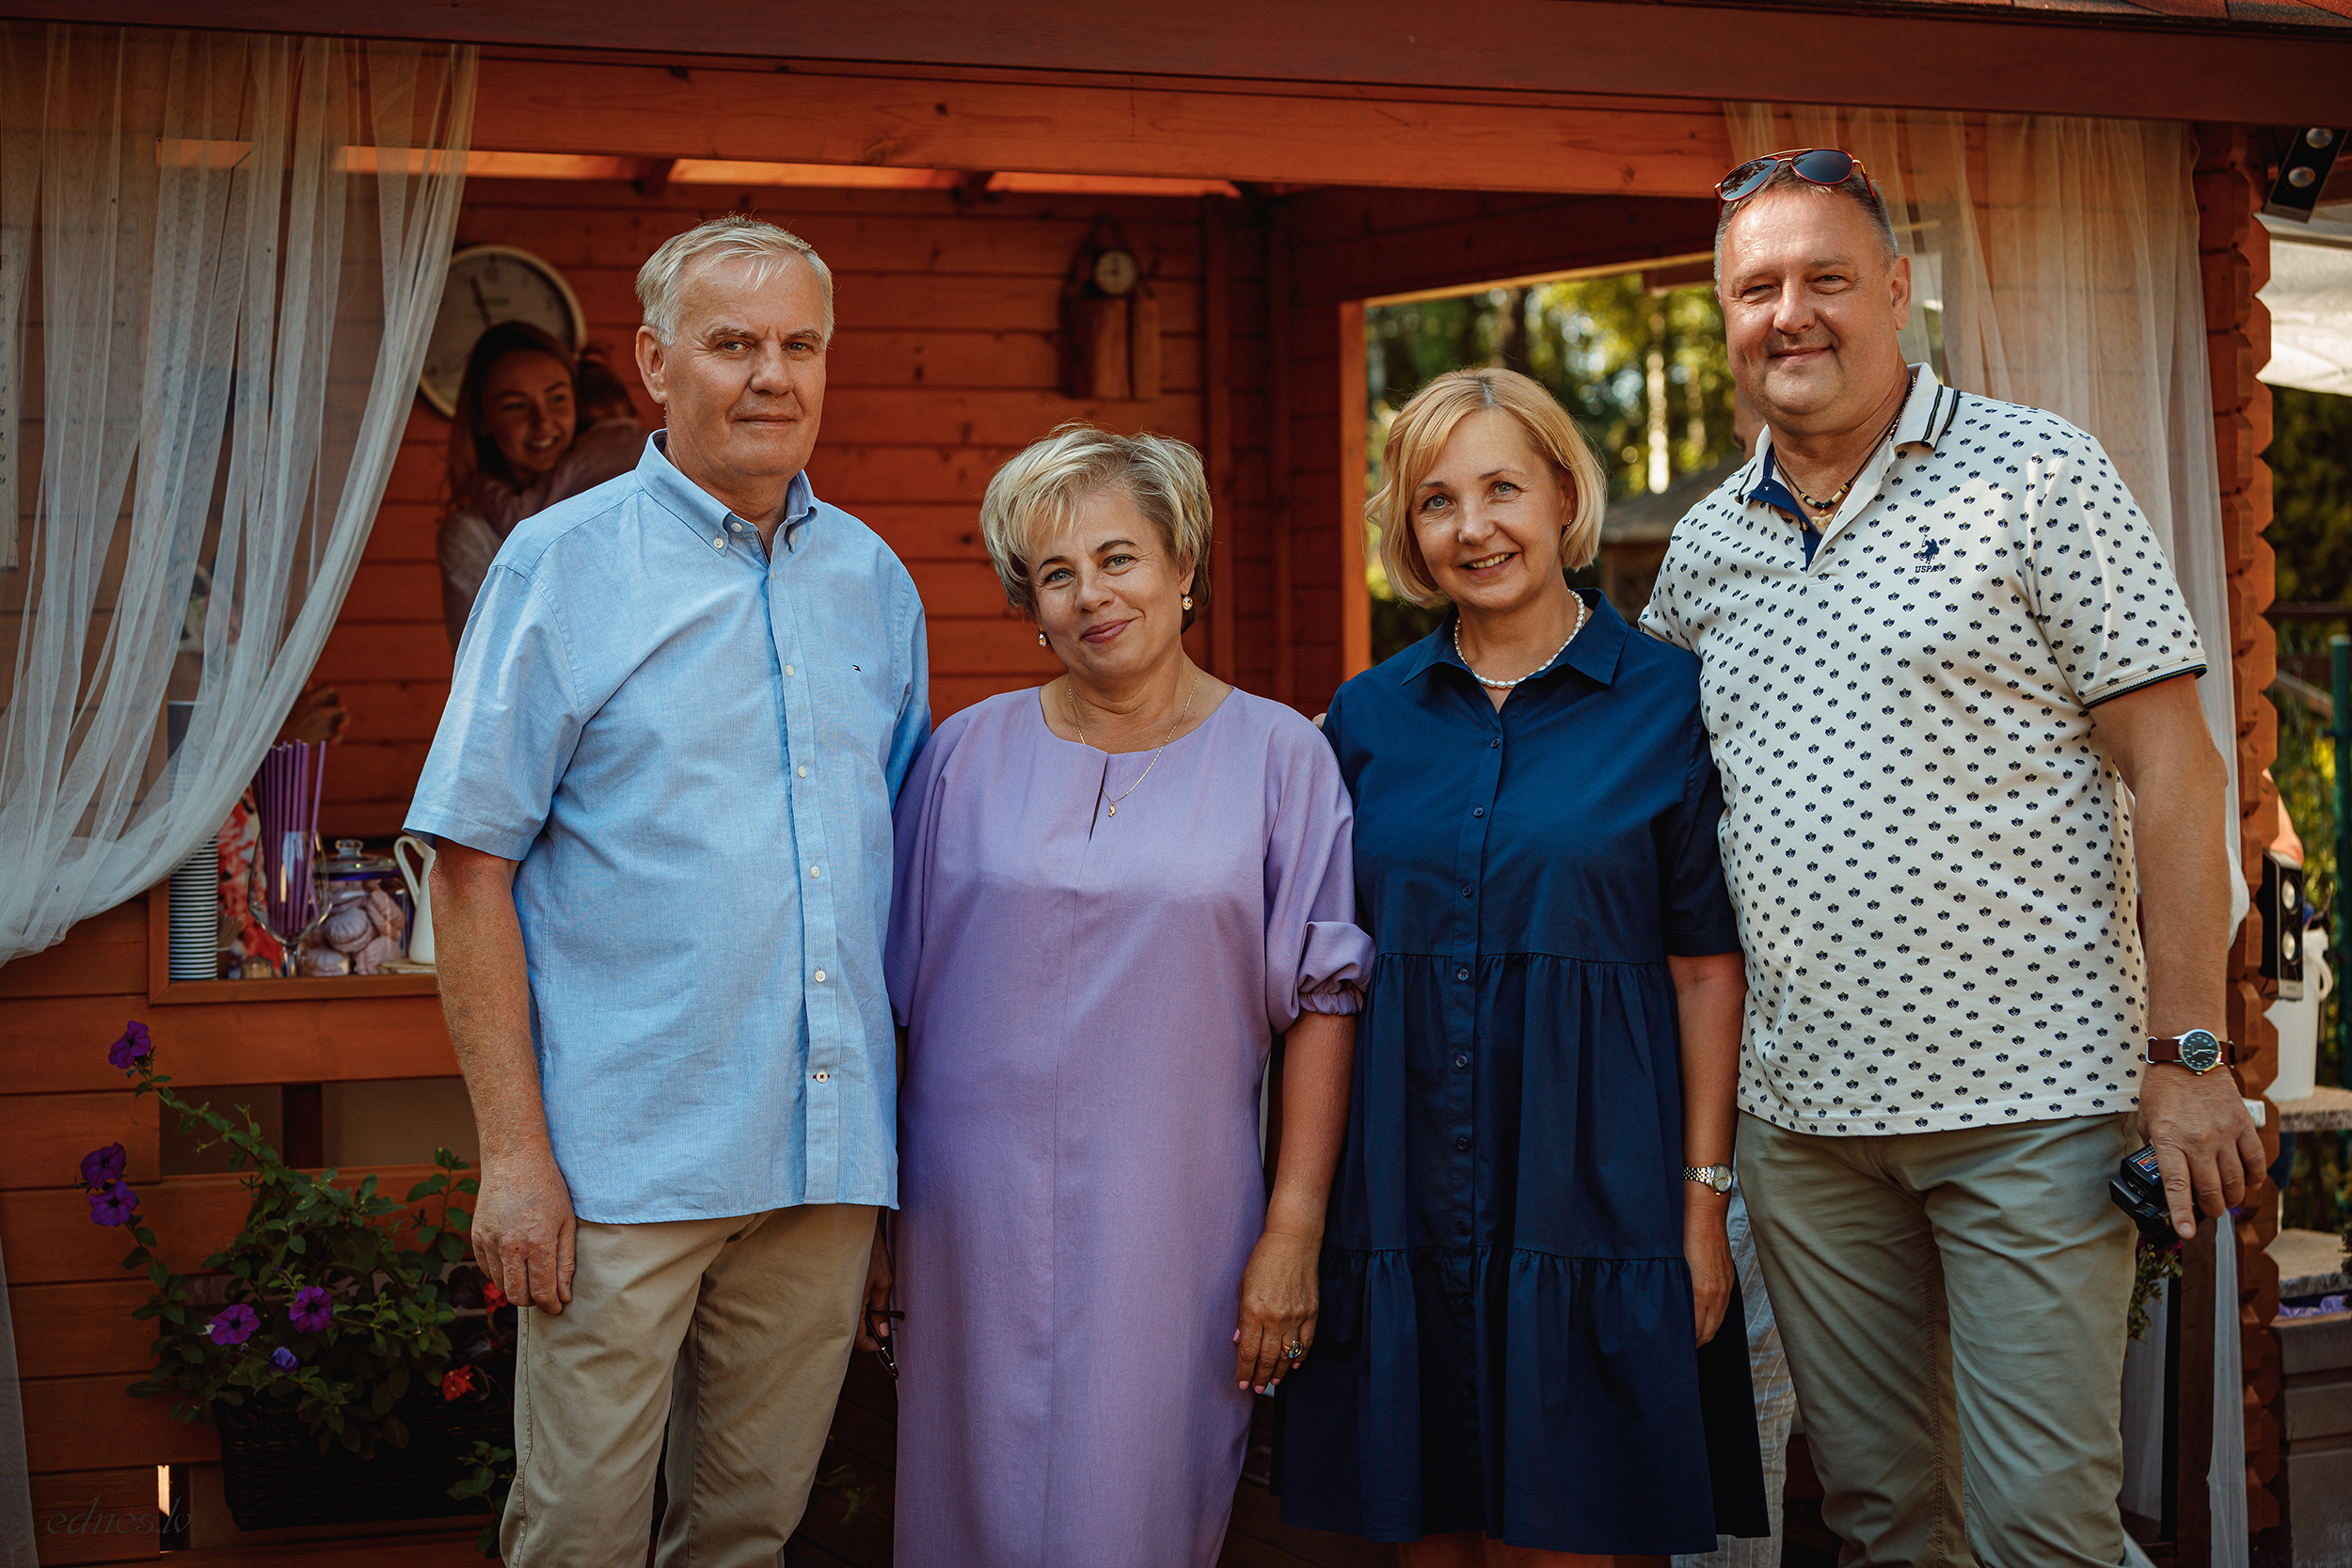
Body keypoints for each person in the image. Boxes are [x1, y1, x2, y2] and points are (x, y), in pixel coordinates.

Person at [1641, 149, 2264, 1568]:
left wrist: (2191, 1050)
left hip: (2032, 1107)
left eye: (1825, 278)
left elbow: (2178, 770)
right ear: (1726, 315)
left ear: (1901, 293)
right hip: (1802, 1130)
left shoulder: (2040, 472)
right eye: (1757, 288)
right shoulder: (1702, 551)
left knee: (2042, 1525)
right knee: (1884, 1521)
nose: (1790, 313)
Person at [408, 215, 928, 1567]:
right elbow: (469, 868)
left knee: (749, 1527)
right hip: (621, 1159)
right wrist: (516, 1154)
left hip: (822, 1160)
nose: (772, 375)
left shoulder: (876, 583)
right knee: (578, 1531)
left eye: (799, 345)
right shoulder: (559, 564)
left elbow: (897, 881)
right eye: (733, 343)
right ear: (652, 363)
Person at [1278, 367, 1768, 1564]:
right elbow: (1323, 972)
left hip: (1596, 1198)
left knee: (1579, 1537)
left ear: (1561, 494)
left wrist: (1702, 1205)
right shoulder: (1364, 717)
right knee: (1427, 1536)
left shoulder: (1668, 701)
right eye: (1437, 500)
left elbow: (1707, 973)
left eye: (1502, 488)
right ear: (1409, 528)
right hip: (1401, 1192)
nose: (1474, 527)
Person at [884, 424, 1371, 1568]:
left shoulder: (1282, 757)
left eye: (1118, 557)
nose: (1092, 594)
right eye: (1056, 573)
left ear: (1181, 564)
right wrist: (878, 1221)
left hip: (1177, 1223)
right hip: (964, 1221)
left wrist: (1291, 1228)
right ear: (1029, 601)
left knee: (1135, 1516)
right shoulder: (960, 756)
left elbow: (1325, 1007)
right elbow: (891, 1007)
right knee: (962, 1511)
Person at [435, 322, 645, 646]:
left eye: (557, 399)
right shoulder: (472, 535)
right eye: (515, 405)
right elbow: (486, 663)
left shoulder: (614, 478)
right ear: (481, 419)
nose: (542, 422)